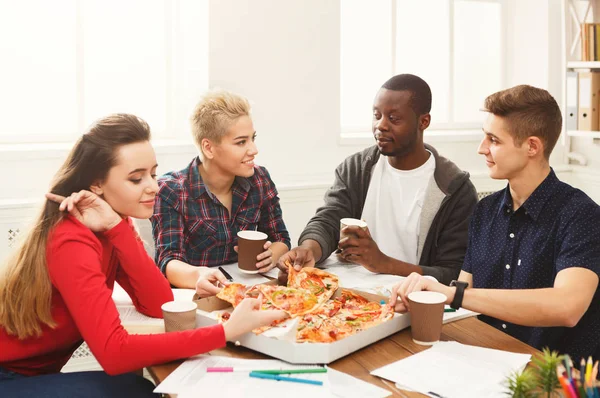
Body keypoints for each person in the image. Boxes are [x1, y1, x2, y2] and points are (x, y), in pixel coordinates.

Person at [0, 114, 287, 397]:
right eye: (136, 179)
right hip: (8, 376)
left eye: (152, 173)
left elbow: (157, 302)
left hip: (31, 374)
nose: (154, 185)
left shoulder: (112, 223)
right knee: (137, 390)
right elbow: (114, 354)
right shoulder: (72, 240)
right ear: (97, 184)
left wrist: (118, 229)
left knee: (138, 386)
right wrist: (225, 331)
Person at [391, 85, 600, 361]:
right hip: (484, 362)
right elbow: (464, 295)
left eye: (494, 140)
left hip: (550, 378)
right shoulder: (485, 210)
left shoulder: (581, 215)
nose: (482, 149)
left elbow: (567, 307)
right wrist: (424, 295)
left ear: (532, 146)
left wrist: (452, 294)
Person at [278, 74, 477, 285]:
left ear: (423, 122)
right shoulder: (356, 169)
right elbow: (328, 220)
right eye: (377, 115)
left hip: (413, 300)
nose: (380, 125)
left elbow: (453, 273)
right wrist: (309, 249)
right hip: (350, 295)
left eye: (394, 118)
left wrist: (383, 263)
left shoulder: (455, 189)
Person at [151, 90, 291, 294]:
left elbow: (281, 238)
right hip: (199, 296)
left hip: (253, 291)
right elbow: (168, 261)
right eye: (241, 142)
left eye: (253, 138)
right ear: (208, 148)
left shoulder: (259, 179)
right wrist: (200, 275)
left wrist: (271, 255)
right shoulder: (171, 191)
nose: (254, 149)